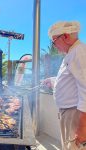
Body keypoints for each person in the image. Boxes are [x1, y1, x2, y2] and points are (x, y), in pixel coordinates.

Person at [48, 21, 86, 150]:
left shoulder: (79, 52)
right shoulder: (72, 53)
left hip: (74, 115)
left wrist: (82, 128)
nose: (54, 46)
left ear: (65, 36)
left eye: (54, 41)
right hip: (69, 113)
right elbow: (72, 80)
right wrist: (53, 81)